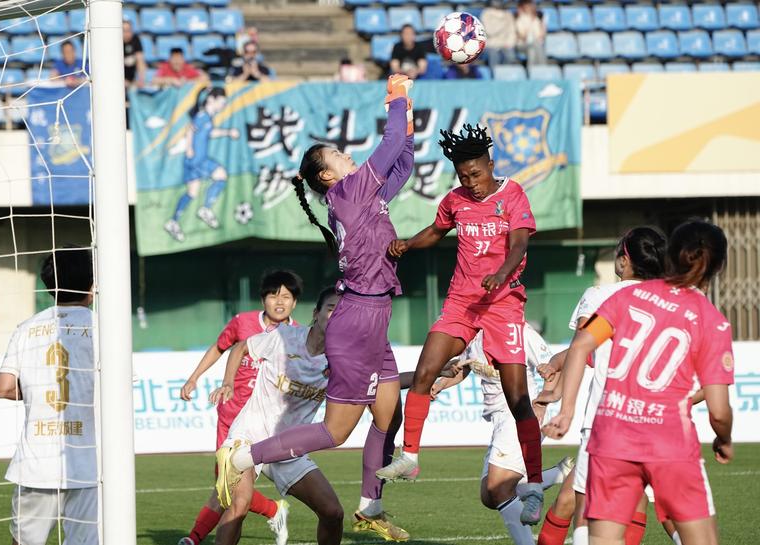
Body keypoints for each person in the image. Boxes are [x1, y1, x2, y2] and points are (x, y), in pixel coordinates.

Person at [209, 76, 415, 538]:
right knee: (336, 432)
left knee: (387, 412)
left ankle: (371, 506)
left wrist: (409, 120)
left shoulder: (364, 195)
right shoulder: (350, 192)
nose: (348, 156)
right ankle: (243, 457)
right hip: (358, 316)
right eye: (338, 155)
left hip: (373, 315)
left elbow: (403, 160)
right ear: (327, 176)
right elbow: (390, 143)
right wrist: (397, 97)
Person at [376, 124, 546, 525]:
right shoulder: (455, 200)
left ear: (491, 165)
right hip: (462, 302)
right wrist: (407, 244)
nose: (471, 183)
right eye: (463, 176)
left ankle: (536, 486)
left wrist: (502, 274)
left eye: (476, 174)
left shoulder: (513, 194)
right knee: (425, 371)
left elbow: (520, 243)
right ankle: (410, 458)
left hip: (503, 304)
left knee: (518, 399)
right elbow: (437, 231)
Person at [544, 219, 735, 545]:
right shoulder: (711, 320)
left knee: (600, 537)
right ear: (718, 267)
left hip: (612, 437)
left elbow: (580, 346)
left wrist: (566, 412)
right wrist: (724, 438)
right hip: (670, 442)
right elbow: (718, 410)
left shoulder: (626, 297)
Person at [536, 226, 673, 545]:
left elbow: (582, 346)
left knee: (584, 507)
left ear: (625, 259)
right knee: (656, 505)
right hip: (656, 420)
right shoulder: (672, 303)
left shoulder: (601, 296)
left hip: (606, 419)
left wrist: (564, 407)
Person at [177, 270, 302, 545]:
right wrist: (194, 378)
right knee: (226, 486)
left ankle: (198, 537)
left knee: (232, 491)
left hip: (265, 425)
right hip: (231, 419)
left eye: (286, 296)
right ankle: (199, 537)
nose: (279, 302)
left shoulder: (298, 336)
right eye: (273, 295)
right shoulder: (242, 323)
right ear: (263, 299)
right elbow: (219, 348)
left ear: (294, 302)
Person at [209, 287, 342, 545]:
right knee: (240, 504)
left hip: (289, 447)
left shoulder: (343, 360)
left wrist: (422, 380)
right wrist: (228, 382)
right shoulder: (284, 336)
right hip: (250, 435)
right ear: (316, 313)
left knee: (333, 512)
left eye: (343, 312)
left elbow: (378, 386)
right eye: (331, 308)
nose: (337, 315)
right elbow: (241, 347)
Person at [431, 324, 574, 545]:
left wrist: (542, 403)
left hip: (520, 414)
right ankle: (557, 474)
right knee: (489, 496)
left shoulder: (521, 332)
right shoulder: (473, 334)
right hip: (499, 419)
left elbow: (554, 367)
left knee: (499, 488)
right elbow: (464, 368)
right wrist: (440, 384)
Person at [0, 246, 97, 545]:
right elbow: (119, 389)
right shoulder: (104, 328)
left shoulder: (27, 328)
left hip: (37, 463)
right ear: (92, 286)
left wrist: (38, 389)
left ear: (50, 285)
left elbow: (3, 387)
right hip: (89, 464)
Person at [164, 87, 239, 243]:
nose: (223, 106)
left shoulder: (208, 118)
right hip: (197, 160)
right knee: (221, 175)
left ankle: (173, 221)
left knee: (192, 193)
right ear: (211, 99)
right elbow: (190, 129)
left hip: (193, 161)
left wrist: (227, 132)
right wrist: (189, 148)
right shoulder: (202, 116)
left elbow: (208, 132)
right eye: (221, 102)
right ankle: (205, 208)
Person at [515, 0, 547, 67]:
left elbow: (541, 35)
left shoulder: (537, 19)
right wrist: (530, 24)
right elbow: (522, 36)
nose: (530, 8)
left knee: (532, 49)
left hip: (534, 44)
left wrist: (542, 24)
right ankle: (542, 67)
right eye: (528, 6)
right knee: (536, 46)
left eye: (531, 6)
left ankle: (533, 69)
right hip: (522, 44)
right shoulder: (520, 19)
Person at [123, 20, 147, 88]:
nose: (126, 33)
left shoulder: (135, 39)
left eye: (128, 30)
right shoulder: (115, 42)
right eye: (124, 30)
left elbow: (140, 60)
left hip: (131, 79)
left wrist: (141, 80)